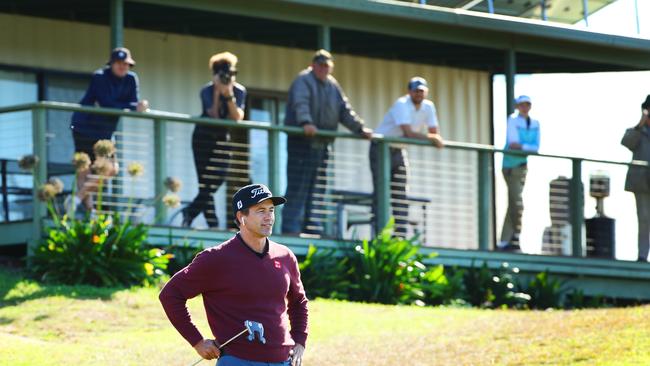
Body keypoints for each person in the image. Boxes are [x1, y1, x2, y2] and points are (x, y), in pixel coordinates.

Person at [159, 183, 308, 366]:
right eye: (260, 210)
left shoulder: (285, 256)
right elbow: (170, 294)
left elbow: (298, 302)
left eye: (271, 210)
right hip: (237, 360)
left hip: (283, 360)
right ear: (241, 216)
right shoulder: (215, 259)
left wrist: (300, 341)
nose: (269, 217)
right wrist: (197, 341)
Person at [282, 49, 373, 236]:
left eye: (327, 66)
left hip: (322, 145)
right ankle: (291, 230)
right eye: (321, 65)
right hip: (301, 143)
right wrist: (306, 122)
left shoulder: (333, 86)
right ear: (313, 65)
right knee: (298, 187)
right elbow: (301, 103)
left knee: (318, 188)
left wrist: (359, 128)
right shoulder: (303, 80)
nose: (324, 69)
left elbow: (344, 110)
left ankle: (311, 228)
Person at [69, 47, 149, 211]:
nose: (123, 67)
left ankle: (76, 199)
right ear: (111, 64)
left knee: (111, 169)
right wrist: (133, 107)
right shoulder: (99, 77)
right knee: (85, 169)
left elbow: (133, 102)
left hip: (105, 132)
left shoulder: (131, 79)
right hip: (83, 126)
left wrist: (139, 106)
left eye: (126, 64)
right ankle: (90, 211)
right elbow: (107, 103)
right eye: (119, 63)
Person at [370, 77, 444, 237]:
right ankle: (379, 235)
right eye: (416, 90)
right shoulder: (401, 104)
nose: (419, 94)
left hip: (399, 151)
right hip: (381, 149)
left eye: (422, 91)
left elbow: (434, 131)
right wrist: (431, 138)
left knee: (401, 194)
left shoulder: (428, 106)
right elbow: (408, 133)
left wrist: (433, 137)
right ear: (409, 91)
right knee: (381, 192)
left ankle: (400, 236)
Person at [182, 52, 246, 228]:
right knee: (205, 183)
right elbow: (214, 114)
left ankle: (191, 212)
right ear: (215, 75)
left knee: (217, 179)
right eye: (225, 75)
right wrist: (218, 92)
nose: (229, 78)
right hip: (202, 138)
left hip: (222, 139)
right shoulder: (207, 90)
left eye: (232, 74)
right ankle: (213, 224)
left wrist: (229, 95)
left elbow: (237, 117)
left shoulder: (239, 91)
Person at [498, 95, 540, 252]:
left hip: (522, 167)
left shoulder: (535, 123)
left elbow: (536, 147)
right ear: (517, 106)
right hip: (510, 166)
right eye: (522, 105)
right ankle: (514, 236)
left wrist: (524, 147)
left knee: (513, 203)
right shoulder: (513, 120)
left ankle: (506, 240)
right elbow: (514, 144)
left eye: (527, 104)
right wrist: (527, 147)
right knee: (517, 203)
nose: (524, 107)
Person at [621, 95, 650, 262]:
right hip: (642, 182)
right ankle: (642, 255)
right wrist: (640, 125)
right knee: (644, 219)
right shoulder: (638, 131)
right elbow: (626, 142)